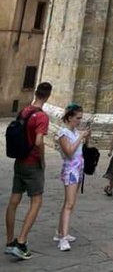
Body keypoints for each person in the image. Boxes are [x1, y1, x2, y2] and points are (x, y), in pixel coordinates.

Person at [4, 81, 53, 260]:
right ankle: (22, 242)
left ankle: (10, 242)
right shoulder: (42, 117)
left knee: (14, 200)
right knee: (36, 201)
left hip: (20, 161)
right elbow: (39, 141)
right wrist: (42, 160)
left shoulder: (24, 111)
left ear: (36, 93)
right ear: (48, 96)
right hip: (32, 163)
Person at [55, 104, 89, 251]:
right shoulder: (63, 133)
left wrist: (85, 137)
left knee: (69, 203)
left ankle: (60, 232)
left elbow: (81, 149)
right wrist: (80, 137)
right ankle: (63, 238)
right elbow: (69, 151)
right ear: (69, 118)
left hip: (78, 169)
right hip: (70, 170)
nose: (79, 121)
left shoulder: (74, 132)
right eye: (77, 118)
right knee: (69, 204)